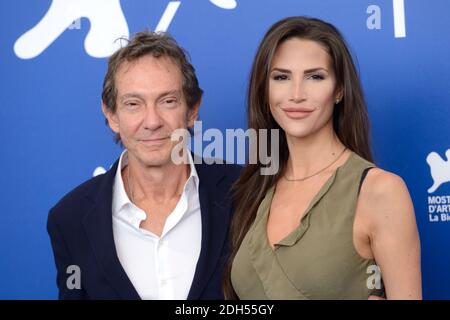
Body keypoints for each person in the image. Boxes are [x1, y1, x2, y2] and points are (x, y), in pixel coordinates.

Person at [223, 16, 421, 299]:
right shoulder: (254, 189)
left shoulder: (380, 191)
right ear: (264, 90)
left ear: (339, 90)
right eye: (281, 77)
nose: (296, 94)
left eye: (315, 77)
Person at [47, 31, 241, 299]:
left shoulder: (244, 192)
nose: (152, 121)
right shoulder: (70, 219)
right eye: (133, 104)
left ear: (193, 109)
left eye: (168, 101)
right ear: (111, 114)